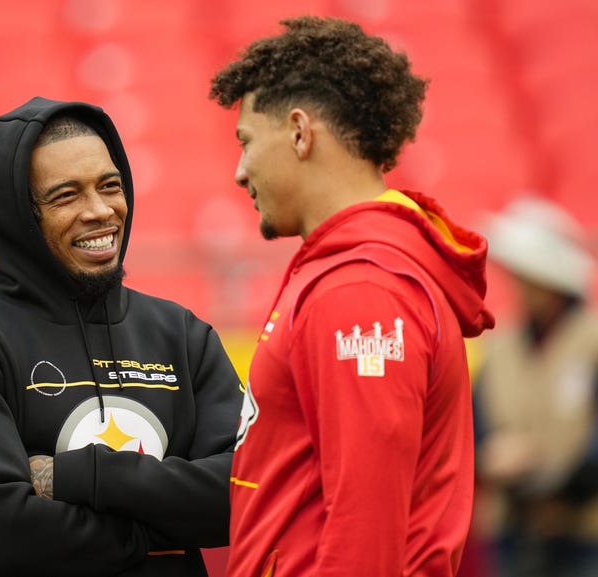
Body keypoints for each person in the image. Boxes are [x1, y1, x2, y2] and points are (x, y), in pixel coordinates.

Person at [0, 96, 243, 577]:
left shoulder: (183, 335)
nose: (101, 211)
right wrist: (159, 533)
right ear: (15, 215)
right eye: (66, 196)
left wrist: (74, 477)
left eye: (111, 186)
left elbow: (245, 495)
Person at [208, 16, 495, 577]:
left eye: (246, 142)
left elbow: (366, 534)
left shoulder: (359, 291)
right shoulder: (353, 275)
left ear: (298, 131)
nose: (241, 172)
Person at [472, 196, 598, 577]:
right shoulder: (499, 350)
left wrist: (560, 486)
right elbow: (477, 431)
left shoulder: (592, 342)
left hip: (582, 536)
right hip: (513, 533)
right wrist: (490, 458)